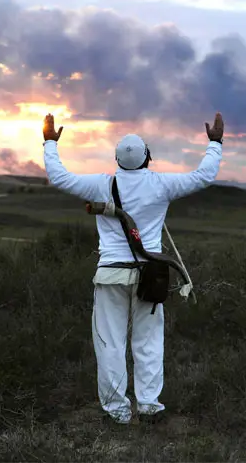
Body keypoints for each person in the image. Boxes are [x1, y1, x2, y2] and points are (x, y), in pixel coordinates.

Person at [42, 112, 224, 425]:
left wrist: (49, 142)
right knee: (148, 342)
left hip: (110, 274)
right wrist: (215, 143)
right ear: (147, 158)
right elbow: (203, 177)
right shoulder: (161, 184)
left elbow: (59, 178)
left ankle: (117, 412)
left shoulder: (102, 184)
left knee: (110, 343)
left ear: (116, 159)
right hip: (150, 276)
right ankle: (150, 408)